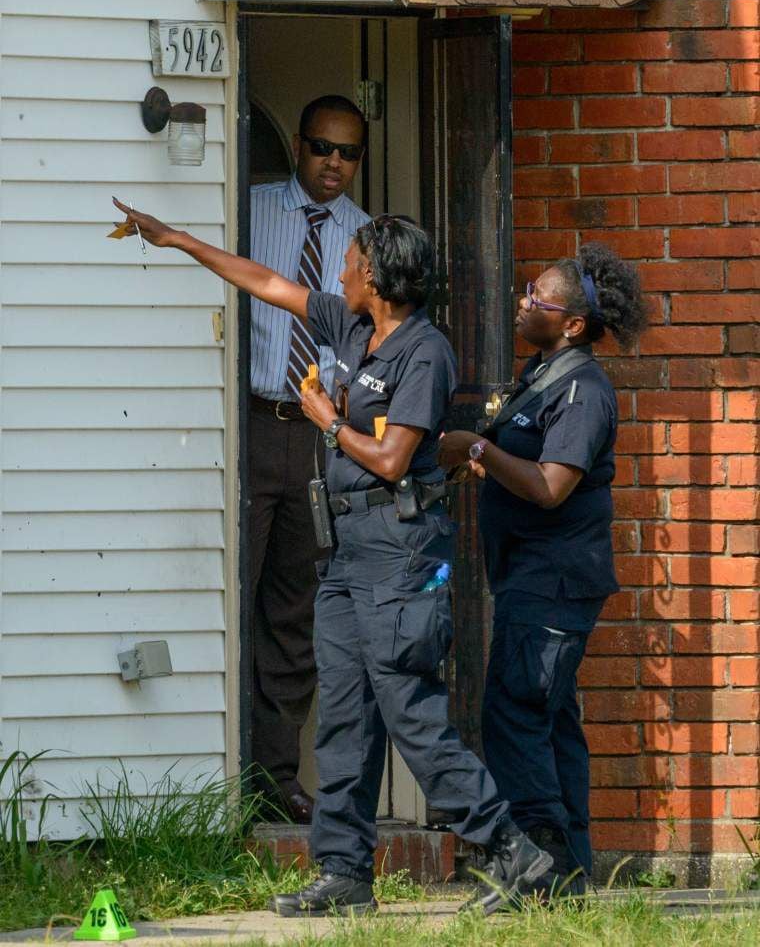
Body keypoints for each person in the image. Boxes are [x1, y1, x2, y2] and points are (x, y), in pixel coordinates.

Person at [111, 200, 555, 918]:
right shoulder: (349, 323)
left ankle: (514, 854)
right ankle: (344, 873)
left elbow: (390, 457)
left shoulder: (424, 352)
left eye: (350, 259)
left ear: (376, 274)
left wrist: (327, 420)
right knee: (344, 717)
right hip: (346, 552)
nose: (339, 268)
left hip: (400, 553)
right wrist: (177, 239)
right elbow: (265, 284)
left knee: (409, 712)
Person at [439, 243, 647, 901]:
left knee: (514, 713)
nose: (523, 302)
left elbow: (553, 485)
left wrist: (478, 450)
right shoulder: (538, 375)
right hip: (529, 577)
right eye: (526, 289)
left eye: (538, 298)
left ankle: (537, 862)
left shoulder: (584, 390)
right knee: (549, 717)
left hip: (555, 580)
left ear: (574, 324)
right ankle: (573, 869)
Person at [246, 95, 369, 823]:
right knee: (235, 591)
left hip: (319, 438)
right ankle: (212, 768)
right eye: (322, 147)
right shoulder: (251, 207)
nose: (334, 164)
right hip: (251, 421)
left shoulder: (367, 238)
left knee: (295, 611)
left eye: (349, 153)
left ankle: (274, 776)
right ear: (297, 144)